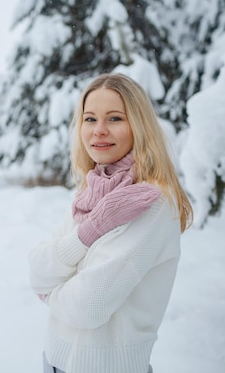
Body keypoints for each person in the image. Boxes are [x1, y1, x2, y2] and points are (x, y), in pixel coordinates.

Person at [29, 73, 193, 373]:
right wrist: (89, 232)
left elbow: (86, 307)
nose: (99, 131)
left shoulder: (150, 202)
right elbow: (37, 268)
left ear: (139, 126)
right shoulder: (91, 191)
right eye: (89, 119)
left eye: (115, 118)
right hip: (53, 361)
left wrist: (49, 292)